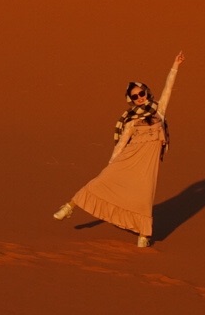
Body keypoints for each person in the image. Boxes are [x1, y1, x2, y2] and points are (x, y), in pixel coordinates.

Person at [54, 51, 186, 247]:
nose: (139, 98)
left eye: (141, 93)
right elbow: (122, 143)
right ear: (130, 99)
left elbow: (168, 89)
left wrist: (175, 66)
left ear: (146, 92)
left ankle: (144, 235)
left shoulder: (159, 110)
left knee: (144, 196)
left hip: (148, 164)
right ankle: (70, 206)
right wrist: (111, 164)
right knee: (101, 181)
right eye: (135, 96)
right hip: (128, 157)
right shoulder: (130, 119)